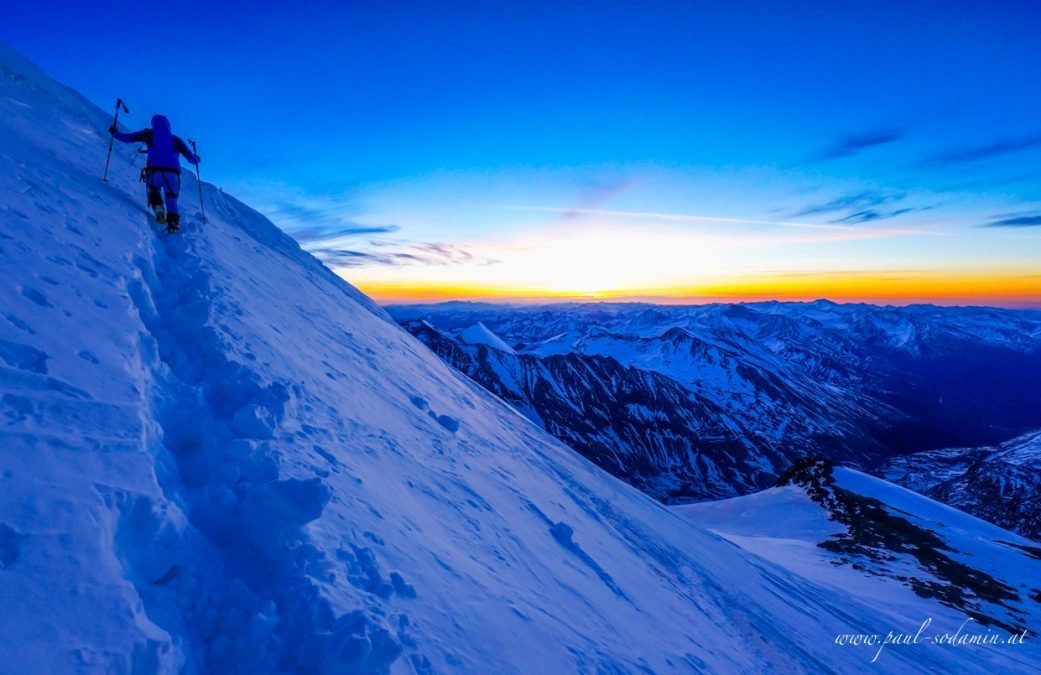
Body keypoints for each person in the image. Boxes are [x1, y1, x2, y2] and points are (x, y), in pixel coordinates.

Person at [110, 115, 200, 231]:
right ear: (168, 125)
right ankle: (173, 224)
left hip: (154, 172)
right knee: (171, 198)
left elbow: (128, 138)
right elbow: (191, 159)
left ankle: (158, 209)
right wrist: (196, 158)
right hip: (172, 175)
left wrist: (114, 132)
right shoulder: (176, 140)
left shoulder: (149, 134)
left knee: (154, 191)